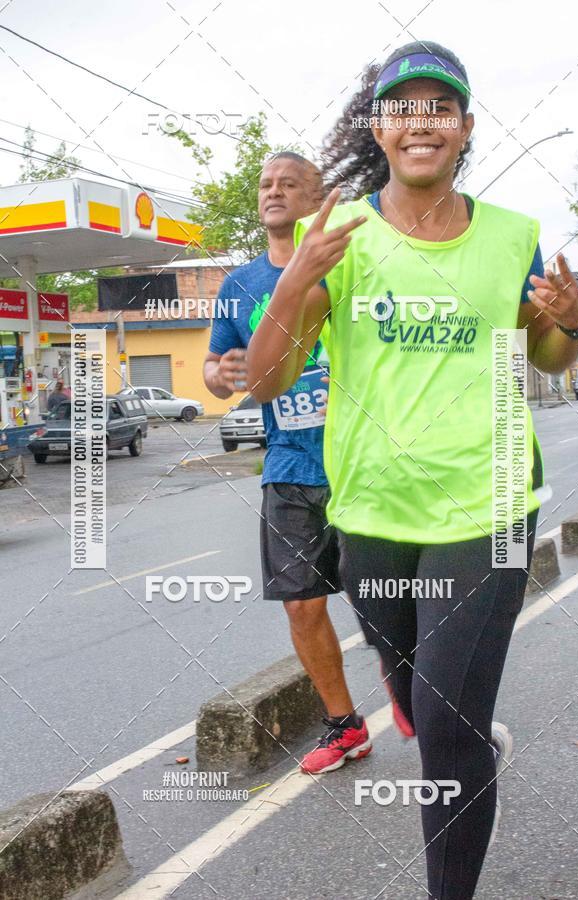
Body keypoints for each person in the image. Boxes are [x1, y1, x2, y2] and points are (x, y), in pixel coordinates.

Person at [247, 42, 578, 899]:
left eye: (441, 107)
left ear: (465, 128)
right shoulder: (341, 234)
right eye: (403, 108)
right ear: (381, 128)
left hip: (487, 504)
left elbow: (543, 356)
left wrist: (573, 326)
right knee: (410, 699)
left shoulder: (513, 234)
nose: (421, 122)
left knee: (443, 721)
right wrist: (293, 286)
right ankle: (468, 742)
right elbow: (263, 380)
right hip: (368, 511)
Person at [203, 151, 371, 775]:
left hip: (363, 462)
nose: (274, 192)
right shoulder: (238, 286)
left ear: (316, 197)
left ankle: (436, 708)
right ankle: (344, 725)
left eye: (289, 184)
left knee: (389, 597)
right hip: (290, 468)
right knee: (303, 604)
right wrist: (219, 376)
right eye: (266, 184)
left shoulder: (355, 265)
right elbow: (217, 374)